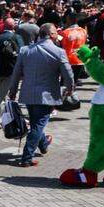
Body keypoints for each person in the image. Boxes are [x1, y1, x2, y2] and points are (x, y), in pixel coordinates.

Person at [8, 23, 74, 167]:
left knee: (35, 123)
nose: (57, 35)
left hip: (28, 94)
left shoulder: (25, 50)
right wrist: (70, 88)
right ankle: (27, 157)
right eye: (56, 32)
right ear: (51, 35)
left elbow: (16, 73)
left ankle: (43, 143)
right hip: (47, 95)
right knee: (38, 125)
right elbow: (68, 74)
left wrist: (13, 90)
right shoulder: (59, 52)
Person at [0, 18, 22, 128]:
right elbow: (22, 54)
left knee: (4, 95)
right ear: (13, 27)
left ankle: (8, 119)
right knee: (3, 96)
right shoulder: (17, 38)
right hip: (10, 71)